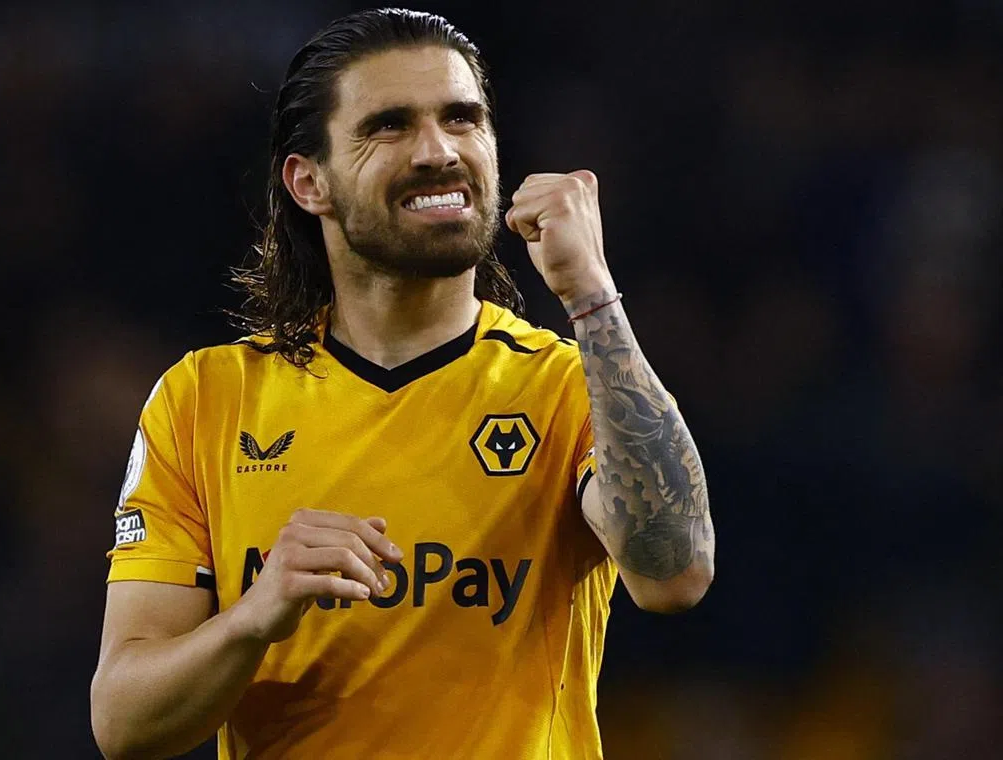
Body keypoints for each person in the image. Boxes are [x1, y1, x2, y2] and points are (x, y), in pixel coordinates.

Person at [90, 8, 715, 759]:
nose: (438, 151)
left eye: (462, 118)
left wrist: (591, 297)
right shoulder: (205, 401)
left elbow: (675, 574)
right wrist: (256, 615)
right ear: (308, 181)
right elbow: (124, 723)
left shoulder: (565, 388)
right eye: (389, 125)